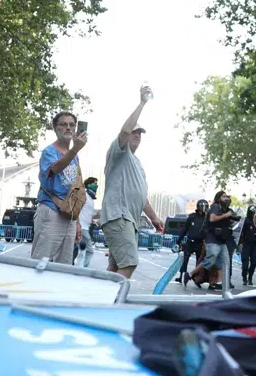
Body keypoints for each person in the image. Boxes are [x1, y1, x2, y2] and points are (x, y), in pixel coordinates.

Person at [98, 86, 166, 280]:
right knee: (129, 264)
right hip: (119, 217)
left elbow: (142, 198)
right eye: (134, 132)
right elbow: (125, 130)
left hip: (128, 221)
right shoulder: (118, 152)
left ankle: (101, 301)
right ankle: (112, 306)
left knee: (115, 268)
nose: (136, 134)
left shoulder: (137, 163)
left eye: (140, 133)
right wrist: (142, 102)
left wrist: (154, 218)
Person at [34, 111, 87, 264]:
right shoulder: (49, 151)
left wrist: (76, 221)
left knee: (64, 265)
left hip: (69, 215)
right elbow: (55, 169)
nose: (68, 128)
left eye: (72, 125)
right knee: (40, 261)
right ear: (55, 128)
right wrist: (74, 150)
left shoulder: (74, 157)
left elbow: (75, 190)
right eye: (63, 124)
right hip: (51, 211)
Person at [189, 191, 236, 290]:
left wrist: (231, 219)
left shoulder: (223, 209)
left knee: (225, 261)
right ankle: (190, 274)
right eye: (223, 196)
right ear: (218, 198)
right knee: (211, 259)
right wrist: (226, 215)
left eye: (226, 196)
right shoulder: (215, 206)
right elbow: (212, 219)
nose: (226, 198)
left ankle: (219, 283)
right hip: (212, 238)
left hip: (221, 240)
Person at [177, 200, 209, 283]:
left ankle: (196, 277)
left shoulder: (207, 218)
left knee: (199, 261)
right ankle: (181, 276)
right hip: (190, 242)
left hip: (201, 243)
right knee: (185, 259)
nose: (204, 208)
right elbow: (185, 228)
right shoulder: (192, 217)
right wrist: (179, 240)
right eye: (202, 206)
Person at [76, 178, 98, 267]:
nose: (96, 186)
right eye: (94, 183)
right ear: (88, 184)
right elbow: (77, 208)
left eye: (97, 184)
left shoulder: (90, 199)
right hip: (82, 227)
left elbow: (87, 213)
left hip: (85, 226)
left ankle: (77, 268)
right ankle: (82, 269)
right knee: (88, 250)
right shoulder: (83, 195)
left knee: (80, 250)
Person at [238, 205, 256, 286]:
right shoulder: (245, 220)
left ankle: (250, 277)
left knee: (253, 263)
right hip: (246, 244)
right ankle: (244, 277)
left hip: (254, 244)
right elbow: (240, 232)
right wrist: (240, 243)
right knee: (245, 263)